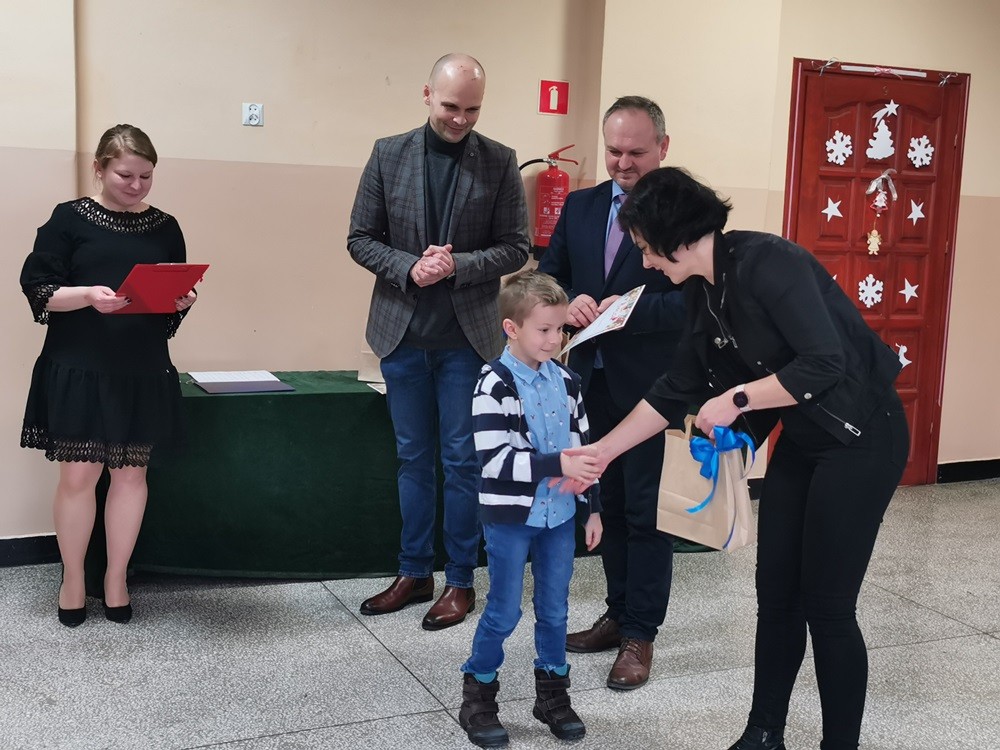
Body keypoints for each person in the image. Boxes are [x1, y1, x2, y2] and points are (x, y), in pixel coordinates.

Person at [574, 167, 909, 750]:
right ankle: (762, 734)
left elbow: (824, 363)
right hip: (803, 440)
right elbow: (675, 387)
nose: (646, 264)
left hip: (861, 437)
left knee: (828, 606)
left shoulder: (770, 263)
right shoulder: (702, 291)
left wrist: (736, 400)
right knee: (776, 597)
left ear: (677, 238)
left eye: (648, 249)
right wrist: (602, 453)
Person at [348, 53, 529, 631]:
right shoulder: (387, 153)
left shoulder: (500, 161)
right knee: (412, 459)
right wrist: (409, 266)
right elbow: (360, 238)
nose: (460, 119)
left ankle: (459, 580)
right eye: (451, 106)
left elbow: (516, 246)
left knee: (462, 462)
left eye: (472, 109)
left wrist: (458, 265)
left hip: (467, 342)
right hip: (400, 336)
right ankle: (413, 571)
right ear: (427, 94)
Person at [20, 124, 197, 627]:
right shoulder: (68, 218)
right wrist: (87, 295)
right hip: (79, 366)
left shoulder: (166, 226)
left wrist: (182, 301)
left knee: (131, 475)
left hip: (141, 367)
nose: (137, 185)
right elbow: (39, 290)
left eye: (146, 176)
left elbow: (168, 301)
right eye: (125, 175)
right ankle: (74, 579)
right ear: (99, 168)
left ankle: (116, 578)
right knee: (79, 475)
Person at [538, 96, 685, 690]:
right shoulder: (582, 205)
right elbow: (548, 274)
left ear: (663, 148)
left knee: (646, 512)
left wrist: (628, 312)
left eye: (636, 153)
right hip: (589, 382)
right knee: (608, 505)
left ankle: (640, 634)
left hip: (650, 390)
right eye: (614, 151)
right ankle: (617, 613)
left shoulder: (682, 212)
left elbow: (693, 303)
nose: (623, 163)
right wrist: (565, 302)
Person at [458, 270, 602, 748]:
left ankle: (552, 695)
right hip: (510, 520)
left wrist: (592, 507)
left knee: (555, 610)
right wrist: (556, 463)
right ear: (511, 328)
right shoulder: (493, 384)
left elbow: (584, 449)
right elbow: (495, 462)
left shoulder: (569, 381)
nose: (554, 339)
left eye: (560, 328)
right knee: (503, 611)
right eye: (543, 329)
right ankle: (478, 693)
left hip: (559, 517)